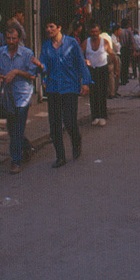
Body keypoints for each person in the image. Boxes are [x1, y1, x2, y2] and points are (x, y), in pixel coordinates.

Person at [38, 17, 92, 169]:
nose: (49, 30)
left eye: (51, 26)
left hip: (69, 87)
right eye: (47, 27)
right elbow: (44, 66)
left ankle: (76, 142)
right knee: (54, 125)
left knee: (69, 121)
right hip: (53, 88)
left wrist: (86, 82)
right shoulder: (46, 46)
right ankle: (60, 156)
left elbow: (81, 62)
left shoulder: (72, 43)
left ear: (59, 27)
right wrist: (39, 66)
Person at [0, 23, 39, 174]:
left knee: (18, 127)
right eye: (8, 38)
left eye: (14, 38)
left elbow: (32, 75)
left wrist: (17, 72)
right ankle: (26, 146)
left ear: (19, 39)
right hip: (9, 95)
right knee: (13, 130)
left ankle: (15, 161)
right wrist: (3, 76)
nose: (11, 41)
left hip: (23, 94)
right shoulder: (0, 52)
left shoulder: (27, 53)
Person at [82, 21, 112, 127]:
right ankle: (95, 116)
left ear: (99, 32)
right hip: (91, 70)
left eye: (96, 31)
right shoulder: (86, 42)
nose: (94, 33)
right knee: (93, 94)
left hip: (102, 69)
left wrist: (115, 68)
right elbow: (81, 55)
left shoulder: (104, 42)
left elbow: (112, 54)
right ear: (90, 32)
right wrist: (85, 61)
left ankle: (103, 116)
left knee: (102, 93)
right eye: (92, 31)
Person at [119, 18, 134, 85]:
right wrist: (133, 50)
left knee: (122, 65)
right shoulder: (129, 31)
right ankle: (125, 78)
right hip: (127, 49)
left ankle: (122, 79)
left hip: (120, 49)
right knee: (126, 65)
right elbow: (132, 42)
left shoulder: (120, 31)